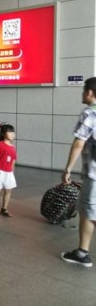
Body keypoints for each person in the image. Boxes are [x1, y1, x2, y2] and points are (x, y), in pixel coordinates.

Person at [61, 77, 96, 267]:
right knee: (88, 210)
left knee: (89, 211)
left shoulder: (89, 113)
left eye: (84, 90)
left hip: (94, 173)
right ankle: (82, 252)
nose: (82, 94)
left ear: (89, 92)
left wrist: (67, 169)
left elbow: (78, 143)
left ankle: (82, 253)